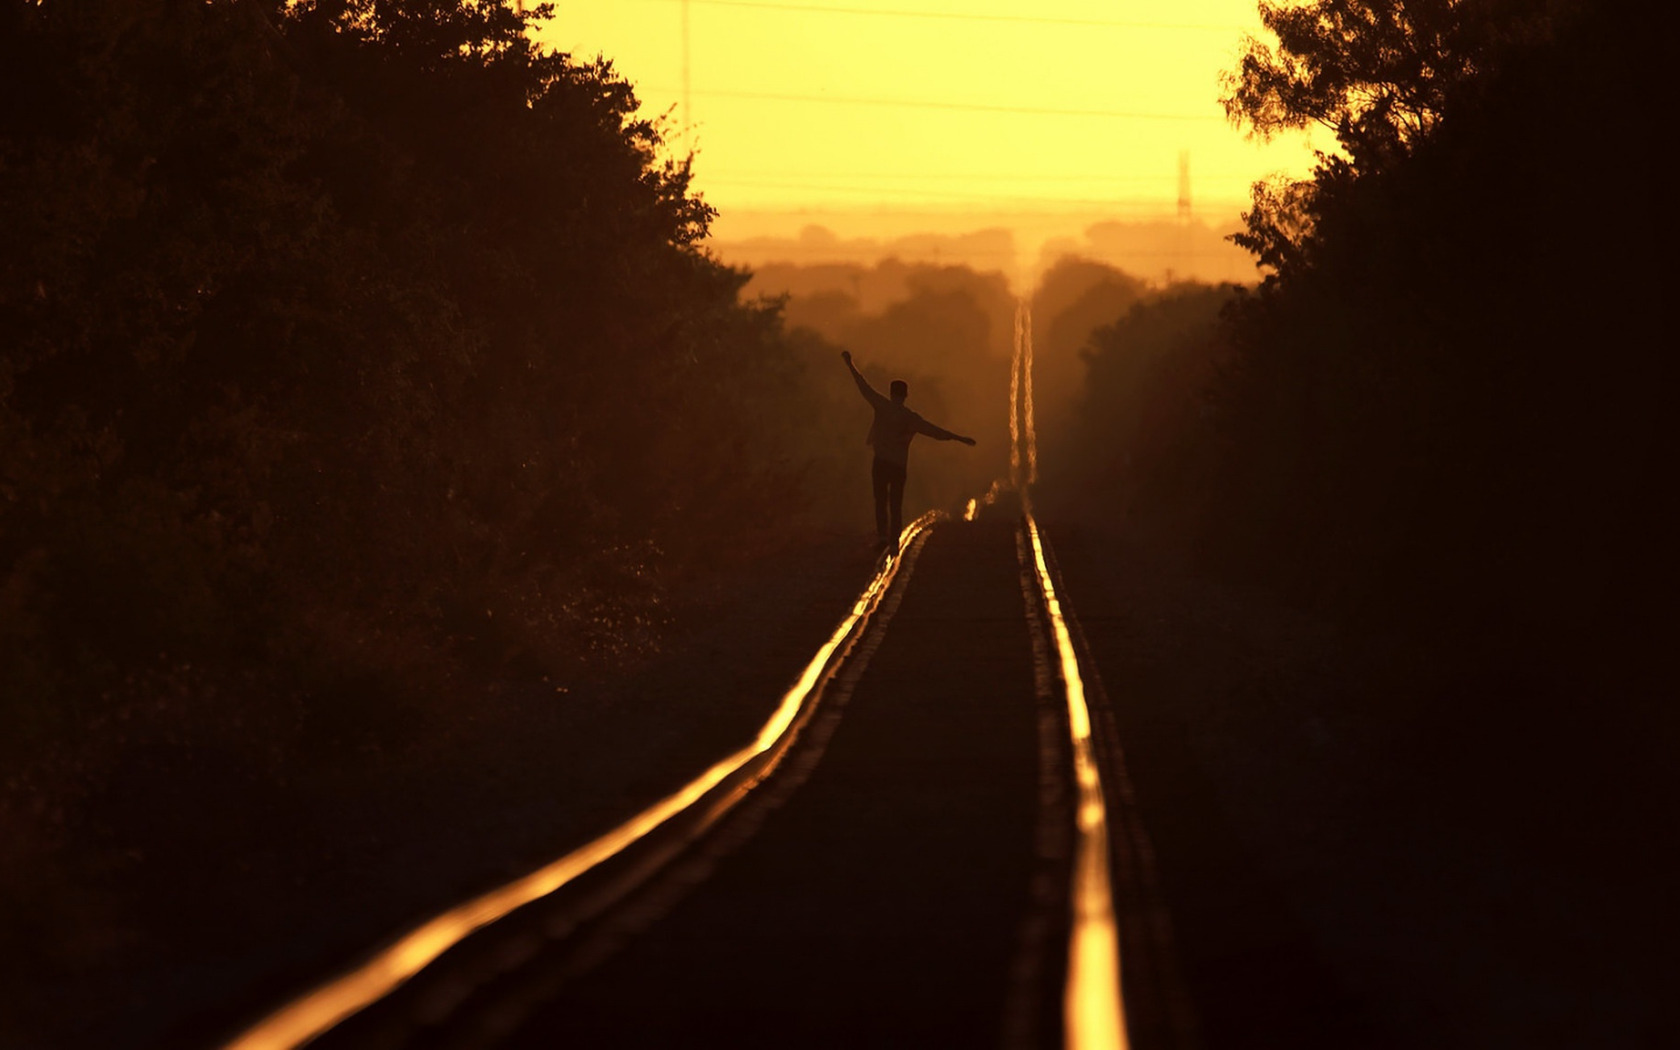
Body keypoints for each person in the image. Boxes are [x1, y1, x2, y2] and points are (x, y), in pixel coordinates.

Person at [841, 349, 976, 546]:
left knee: (880, 501)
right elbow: (935, 431)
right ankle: (894, 539)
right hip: (898, 465)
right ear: (905, 395)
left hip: (880, 461)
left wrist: (850, 364)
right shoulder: (910, 418)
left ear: (891, 393)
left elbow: (864, 386)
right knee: (896, 503)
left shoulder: (882, 406)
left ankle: (882, 537)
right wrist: (960, 438)